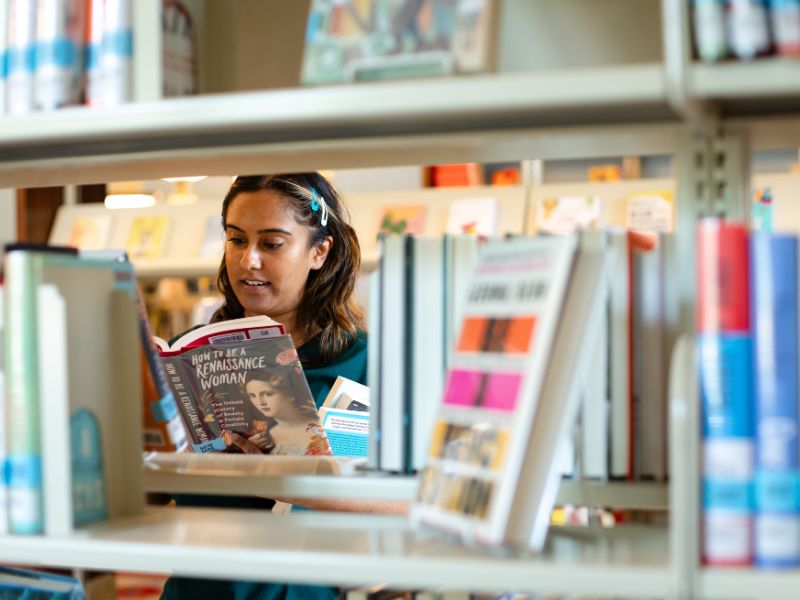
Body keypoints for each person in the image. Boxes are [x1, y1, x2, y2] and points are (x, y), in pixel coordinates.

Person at [160, 172, 406, 600]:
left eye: (272, 244)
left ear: (319, 252)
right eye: (237, 240)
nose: (248, 261)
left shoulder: (368, 362)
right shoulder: (188, 354)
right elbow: (148, 499)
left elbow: (412, 502)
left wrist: (289, 483)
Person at [224, 368, 330, 456]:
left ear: (290, 394)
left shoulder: (318, 427)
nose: (260, 402)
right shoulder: (263, 437)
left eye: (267, 394)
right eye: (252, 396)